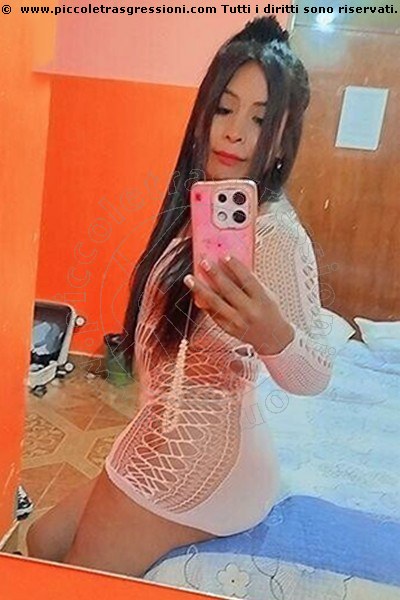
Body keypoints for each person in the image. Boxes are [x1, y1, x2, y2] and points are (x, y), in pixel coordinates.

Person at [27, 16, 333, 578]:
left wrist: (275, 336)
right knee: (42, 540)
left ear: (282, 139)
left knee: (72, 579)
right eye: (224, 108)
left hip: (206, 462)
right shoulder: (201, 208)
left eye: (259, 119)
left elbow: (315, 374)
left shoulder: (274, 234)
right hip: (159, 431)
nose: (234, 133)